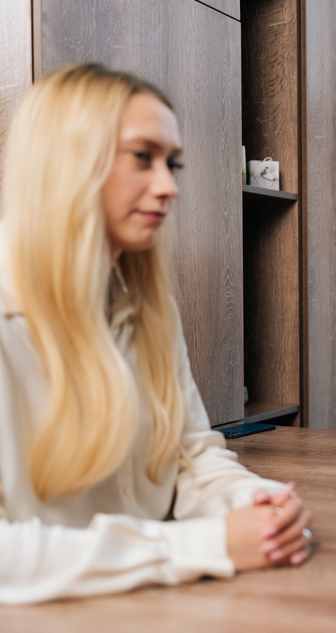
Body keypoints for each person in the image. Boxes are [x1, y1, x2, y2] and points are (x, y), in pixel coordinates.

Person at [0, 64, 313, 605]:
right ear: (66, 158)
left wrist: (251, 505)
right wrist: (202, 545)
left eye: (173, 163)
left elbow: (190, 454)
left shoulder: (148, 308)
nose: (168, 186)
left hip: (148, 613)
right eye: (142, 157)